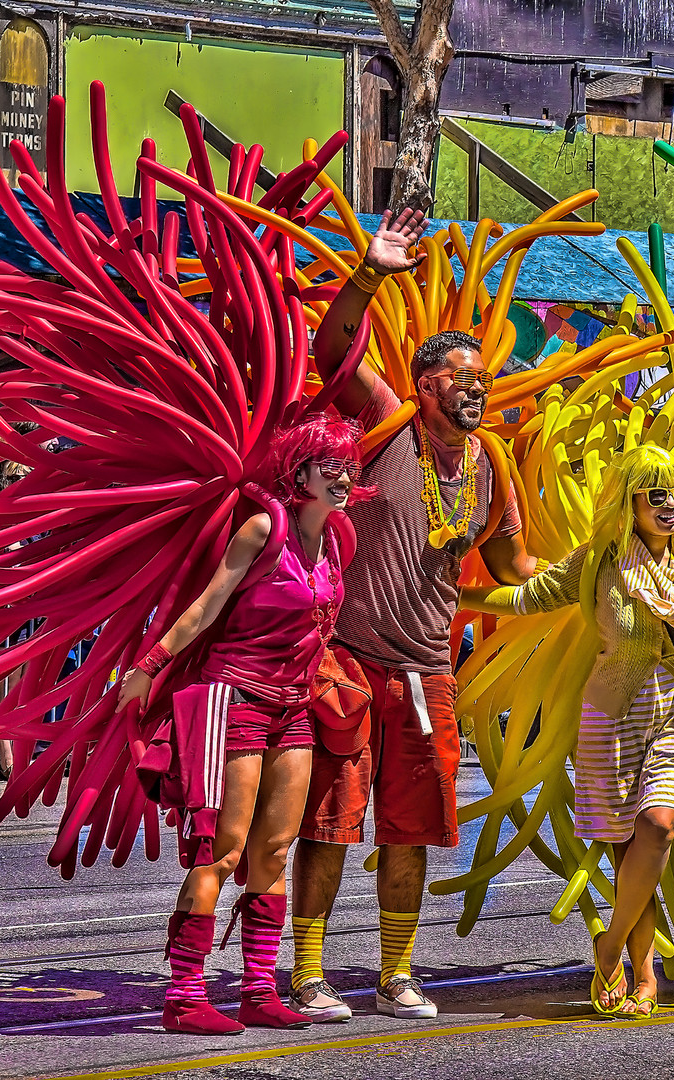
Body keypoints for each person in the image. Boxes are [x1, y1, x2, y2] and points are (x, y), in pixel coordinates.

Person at [460, 445, 674, 1017]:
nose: (670, 504)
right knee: (630, 852)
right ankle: (643, 975)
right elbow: (525, 598)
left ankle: (610, 948)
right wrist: (451, 597)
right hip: (611, 719)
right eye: (657, 494)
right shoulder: (598, 561)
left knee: (658, 826)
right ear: (631, 501)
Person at [290, 208, 538, 1023]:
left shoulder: (492, 463)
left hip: (431, 674)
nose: (478, 388)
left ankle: (397, 974)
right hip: (350, 663)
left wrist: (600, 571)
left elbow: (512, 570)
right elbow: (334, 354)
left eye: (485, 380)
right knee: (330, 822)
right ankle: (308, 973)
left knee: (411, 829)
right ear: (428, 387)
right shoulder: (390, 423)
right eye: (464, 378)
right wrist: (370, 273)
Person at [118, 418, 366, 1035]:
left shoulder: (336, 540)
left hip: (293, 704)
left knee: (274, 851)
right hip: (234, 700)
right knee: (222, 851)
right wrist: (150, 665)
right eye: (328, 465)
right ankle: (183, 997)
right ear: (299, 472)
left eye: (348, 466)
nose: (342, 476)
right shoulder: (264, 530)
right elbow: (206, 604)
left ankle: (259, 990)